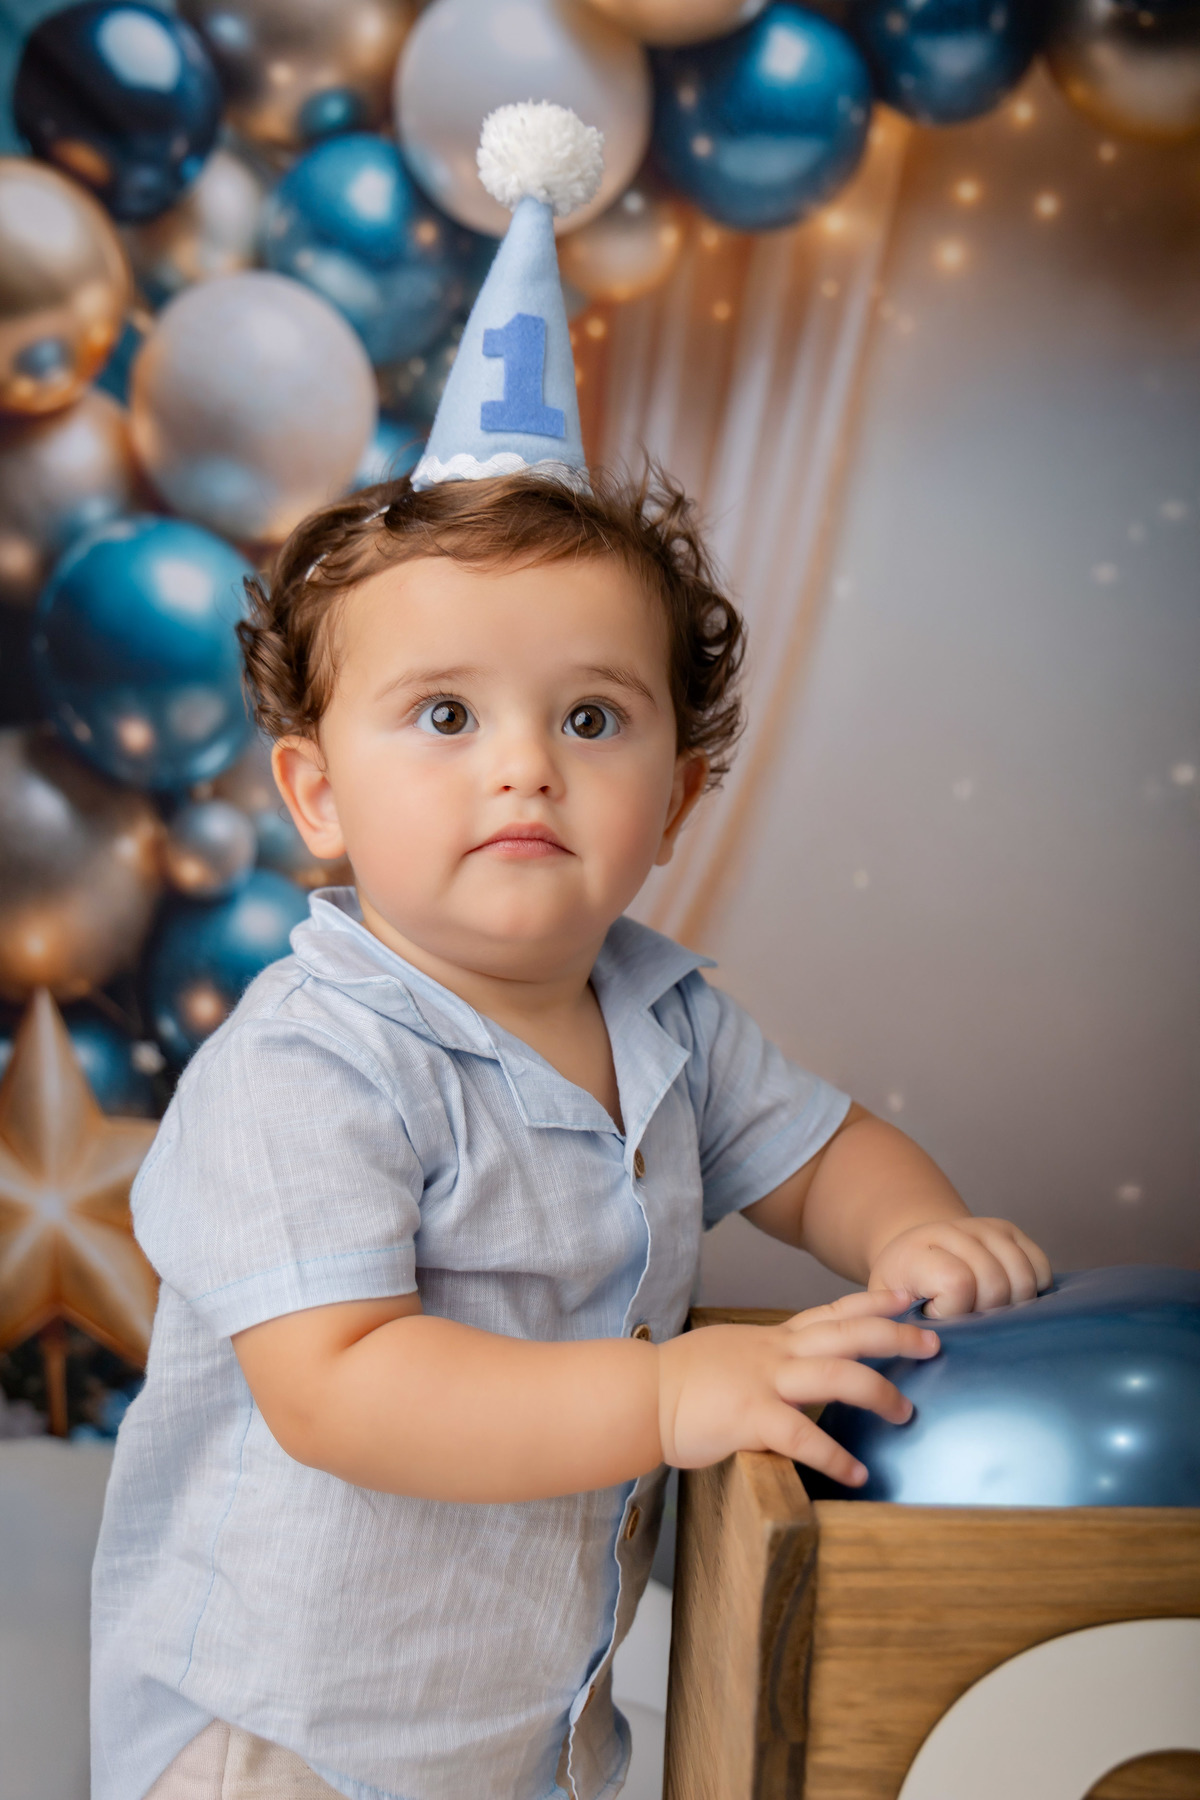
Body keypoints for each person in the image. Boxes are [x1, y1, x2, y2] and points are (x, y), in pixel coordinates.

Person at [90, 106, 1052, 1800]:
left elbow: (824, 1154)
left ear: (672, 799)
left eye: (591, 717)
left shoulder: (663, 1015)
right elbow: (344, 1390)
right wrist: (669, 1396)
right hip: (295, 1730)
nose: (524, 766)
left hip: (524, 1725)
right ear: (316, 795)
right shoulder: (307, 1067)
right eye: (445, 715)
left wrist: (914, 1231)